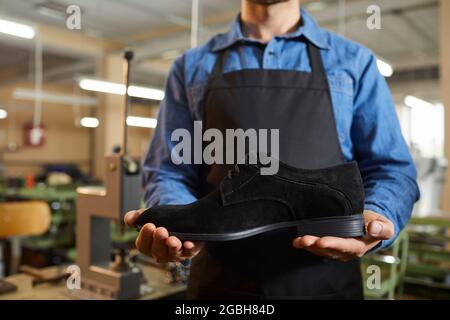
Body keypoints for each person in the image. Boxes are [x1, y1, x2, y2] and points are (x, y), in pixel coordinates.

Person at [125, 0, 420, 299]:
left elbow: (391, 168)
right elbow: (169, 169)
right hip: (220, 280)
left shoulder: (355, 62)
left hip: (325, 283)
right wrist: (183, 226)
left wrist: (375, 216)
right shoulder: (190, 67)